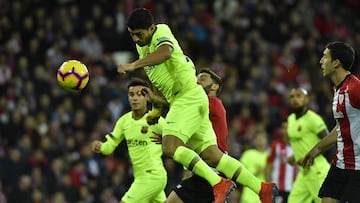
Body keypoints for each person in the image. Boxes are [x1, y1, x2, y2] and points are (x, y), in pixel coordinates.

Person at [117, 8, 277, 203]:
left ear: (151, 28)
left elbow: (165, 52)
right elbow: (156, 77)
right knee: (212, 155)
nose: (135, 39)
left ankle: (217, 183)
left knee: (169, 147)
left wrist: (133, 65)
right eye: (131, 34)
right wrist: (156, 110)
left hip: (186, 98)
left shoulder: (161, 32)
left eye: (139, 34)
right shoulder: (143, 46)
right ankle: (262, 189)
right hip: (192, 99)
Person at [91, 78, 167, 203]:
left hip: (152, 176)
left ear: (147, 97)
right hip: (140, 177)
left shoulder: (156, 121)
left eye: (140, 94)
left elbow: (177, 140)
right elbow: (110, 146)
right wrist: (100, 146)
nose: (135, 98)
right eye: (131, 94)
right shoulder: (124, 121)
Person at [301, 41, 360, 203]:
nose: (320, 61)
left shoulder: (355, 88)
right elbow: (342, 128)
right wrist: (317, 147)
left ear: (336, 63)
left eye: (325, 57)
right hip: (340, 163)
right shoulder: (338, 89)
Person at [165, 68, 228, 203]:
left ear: (215, 86)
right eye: (197, 78)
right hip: (208, 169)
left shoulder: (211, 102)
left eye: (203, 78)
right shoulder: (202, 110)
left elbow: (180, 105)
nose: (197, 81)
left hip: (212, 170)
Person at [286, 87, 330, 203]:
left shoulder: (313, 119)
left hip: (317, 171)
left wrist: (311, 156)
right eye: (292, 96)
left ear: (306, 100)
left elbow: (329, 141)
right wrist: (295, 156)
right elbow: (302, 143)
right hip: (303, 173)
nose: (295, 99)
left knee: (323, 201)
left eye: (299, 96)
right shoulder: (290, 119)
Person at [265, 121, 298, 203]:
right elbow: (268, 168)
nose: (285, 130)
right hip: (278, 188)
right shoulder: (275, 145)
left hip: (294, 190)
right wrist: (269, 187)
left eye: (287, 128)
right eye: (283, 128)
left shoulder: (298, 146)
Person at [239, 130, 269, 203]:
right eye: (258, 139)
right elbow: (239, 173)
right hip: (248, 196)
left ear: (266, 140)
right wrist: (255, 172)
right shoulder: (248, 154)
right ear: (254, 141)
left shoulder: (269, 156)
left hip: (264, 196)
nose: (260, 141)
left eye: (262, 138)